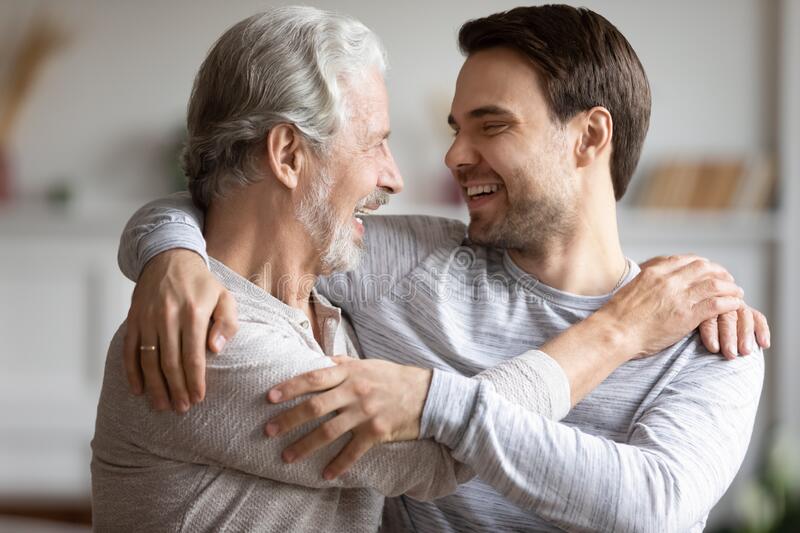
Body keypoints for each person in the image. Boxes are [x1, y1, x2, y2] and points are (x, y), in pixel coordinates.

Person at [111, 4, 768, 532]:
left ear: (590, 137)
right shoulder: (409, 263)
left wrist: (431, 399)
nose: (453, 155)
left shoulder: (708, 338)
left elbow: (657, 509)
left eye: (491, 126)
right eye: (456, 128)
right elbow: (252, 209)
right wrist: (169, 254)